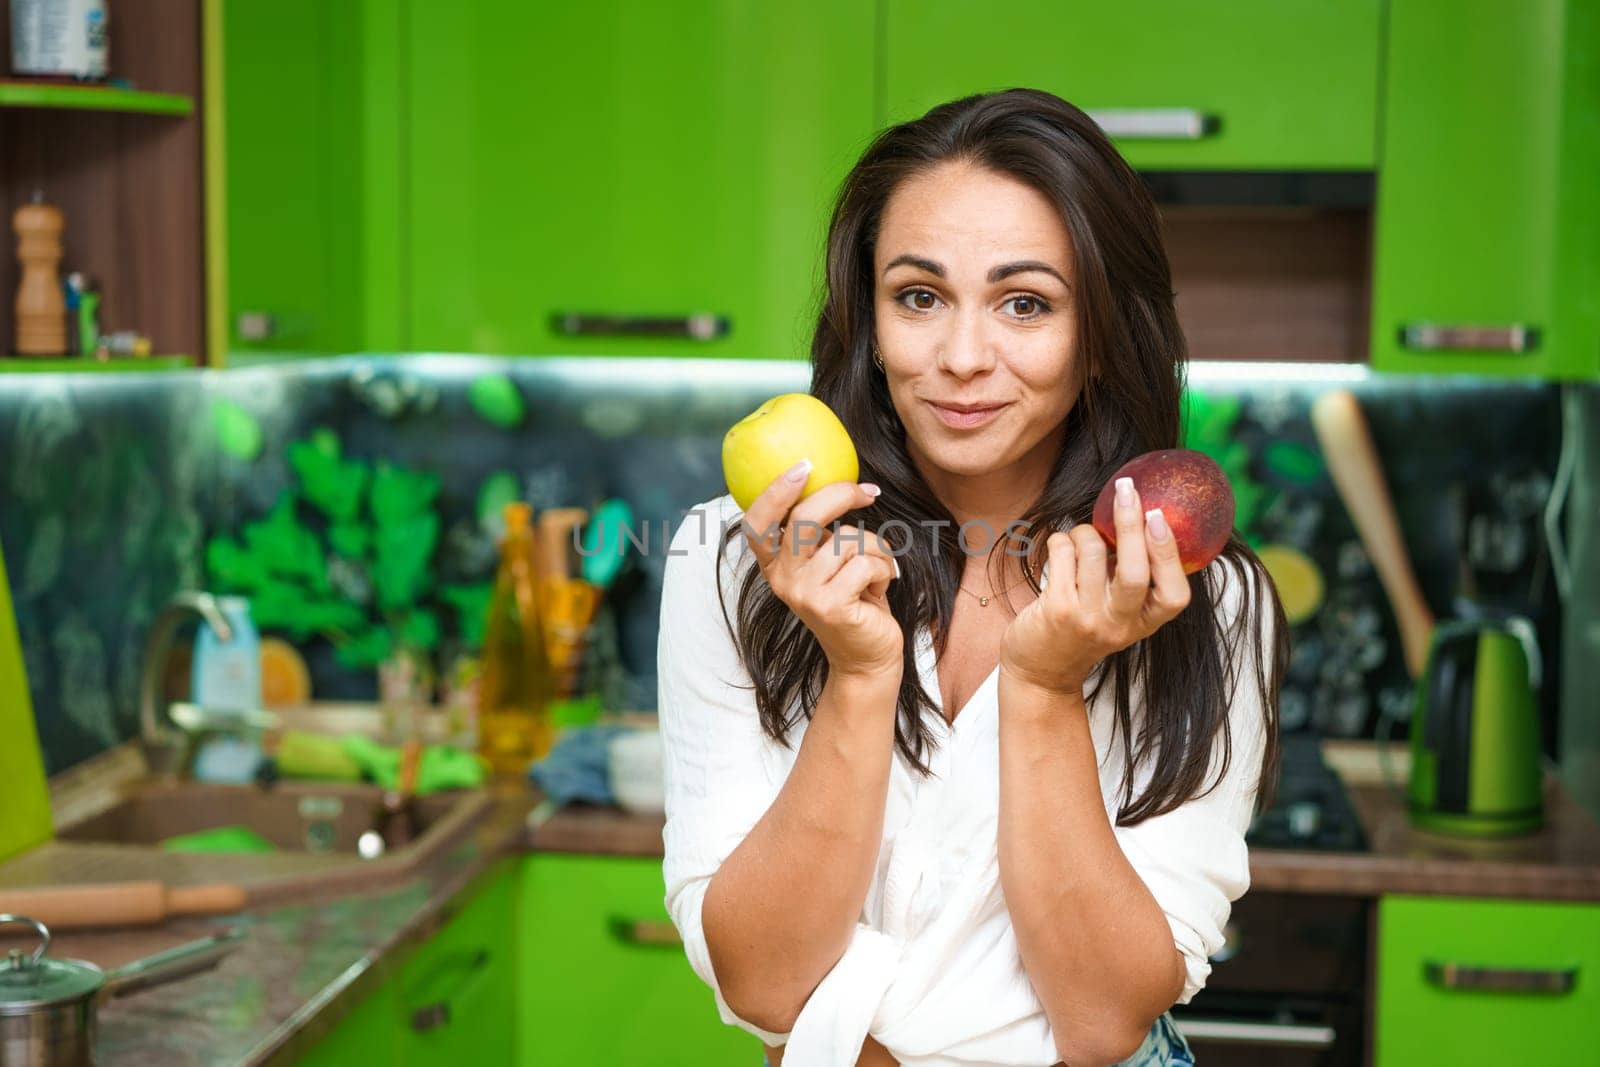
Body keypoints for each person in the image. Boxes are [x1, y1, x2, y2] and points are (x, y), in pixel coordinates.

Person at [656, 88, 1287, 1067]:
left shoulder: (1203, 600)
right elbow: (763, 978)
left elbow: (1101, 1017)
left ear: (1099, 332)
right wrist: (859, 680)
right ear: (867, 316)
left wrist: (1042, 688)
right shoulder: (738, 558)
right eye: (918, 295)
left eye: (1024, 302)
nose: (959, 357)